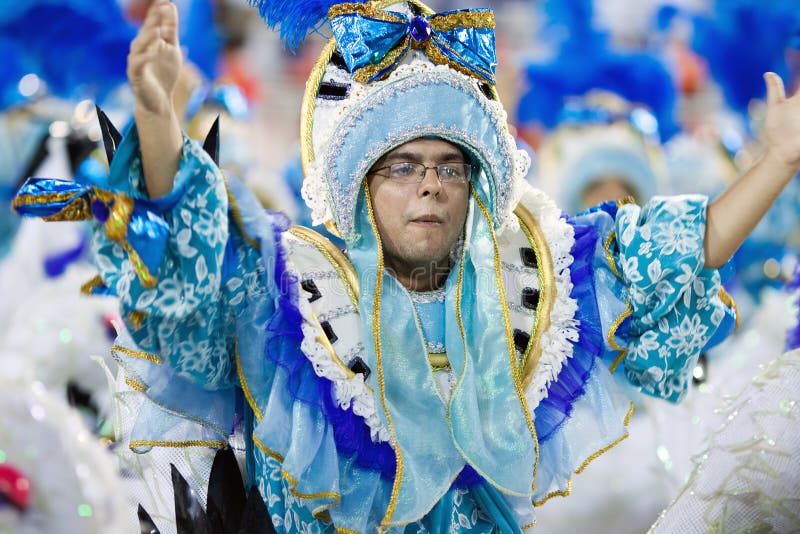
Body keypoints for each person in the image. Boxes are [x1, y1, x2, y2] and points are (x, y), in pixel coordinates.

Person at [13, 0, 800, 531]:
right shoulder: (285, 299)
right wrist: (157, 121)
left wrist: (776, 163)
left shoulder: (526, 292)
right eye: (401, 166)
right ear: (357, 188)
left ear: (475, 187)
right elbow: (186, 273)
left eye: (449, 166)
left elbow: (665, 256)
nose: (428, 183)